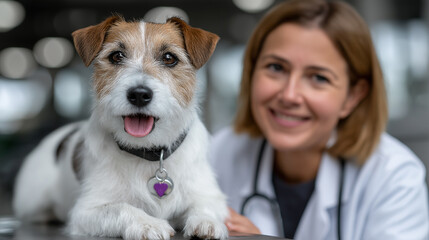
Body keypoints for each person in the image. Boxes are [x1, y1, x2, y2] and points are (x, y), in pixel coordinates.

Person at [209, 0, 429, 239]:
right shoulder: (219, 153)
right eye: (275, 67)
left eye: (319, 78)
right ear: (251, 73)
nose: (290, 95)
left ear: (353, 96)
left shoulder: (393, 176)